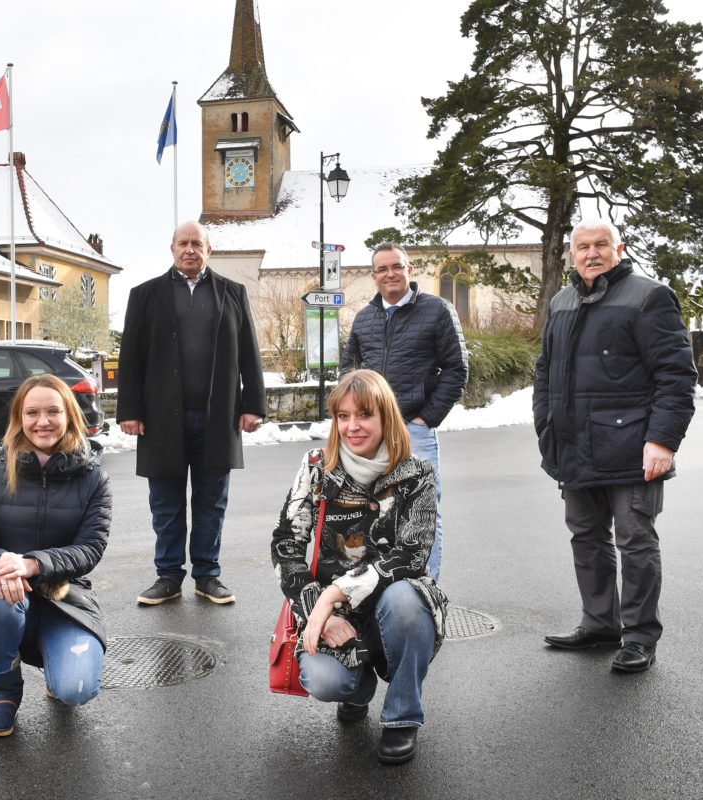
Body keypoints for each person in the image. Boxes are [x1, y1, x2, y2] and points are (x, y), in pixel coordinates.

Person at [534, 218, 696, 673]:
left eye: (601, 244)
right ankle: (600, 623)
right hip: (573, 447)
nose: (591, 253)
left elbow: (676, 375)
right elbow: (544, 373)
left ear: (618, 248)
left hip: (631, 449)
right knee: (586, 539)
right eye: (582, 246)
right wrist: (545, 425)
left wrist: (663, 440)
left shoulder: (649, 297)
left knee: (635, 540)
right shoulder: (562, 301)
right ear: (571, 253)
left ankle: (640, 636)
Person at [271, 369, 448, 765]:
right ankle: (357, 688)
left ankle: (402, 716)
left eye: (364, 415)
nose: (352, 426)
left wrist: (336, 592)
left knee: (405, 602)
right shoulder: (317, 466)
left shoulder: (416, 473)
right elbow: (286, 544)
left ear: (385, 416)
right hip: (332, 612)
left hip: (393, 600)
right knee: (322, 679)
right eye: (343, 416)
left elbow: (412, 554)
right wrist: (319, 607)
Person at [117, 220, 266, 606]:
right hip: (161, 419)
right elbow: (130, 357)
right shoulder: (145, 295)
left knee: (211, 502)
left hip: (218, 418)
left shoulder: (233, 294)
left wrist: (253, 405)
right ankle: (167, 576)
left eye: (197, 244)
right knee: (165, 503)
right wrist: (129, 410)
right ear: (171, 249)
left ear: (208, 250)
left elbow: (250, 352)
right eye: (182, 243)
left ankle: (207, 575)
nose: (189, 250)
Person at [0, 374, 111, 737]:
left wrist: (33, 564)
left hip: (65, 597)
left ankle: (54, 668)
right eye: (32, 412)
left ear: (69, 415)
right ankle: (4, 693)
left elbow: (90, 548)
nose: (43, 421)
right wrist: (0, 563)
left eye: (52, 411)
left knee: (75, 690)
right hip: (8, 594)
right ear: (19, 419)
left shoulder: (94, 478)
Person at [340, 243, 467, 581]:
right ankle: (374, 585)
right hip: (370, 434)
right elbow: (348, 372)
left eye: (396, 266)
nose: (390, 273)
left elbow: (456, 369)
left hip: (414, 429)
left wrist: (427, 418)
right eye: (382, 269)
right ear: (373, 276)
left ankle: (426, 588)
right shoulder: (364, 318)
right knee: (368, 510)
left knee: (422, 512)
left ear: (409, 270)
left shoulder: (437, 310)